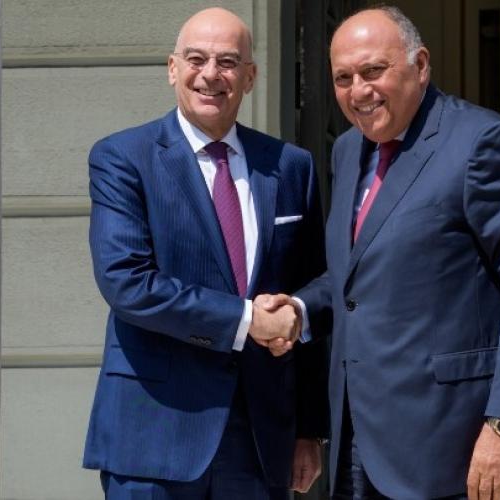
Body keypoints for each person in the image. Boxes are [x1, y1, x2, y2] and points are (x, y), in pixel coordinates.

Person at [263, 6, 500, 500]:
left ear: (420, 64)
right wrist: (299, 310)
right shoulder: (348, 149)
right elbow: (358, 276)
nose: (358, 91)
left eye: (373, 71)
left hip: (456, 449)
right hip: (358, 444)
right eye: (343, 78)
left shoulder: (482, 142)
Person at [81, 7, 329, 499]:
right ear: (173, 69)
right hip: (155, 434)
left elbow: (315, 283)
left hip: (260, 440)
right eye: (196, 59)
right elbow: (127, 282)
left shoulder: (290, 166)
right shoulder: (122, 158)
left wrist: (308, 429)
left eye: (228, 62)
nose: (210, 74)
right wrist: (247, 320)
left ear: (250, 77)